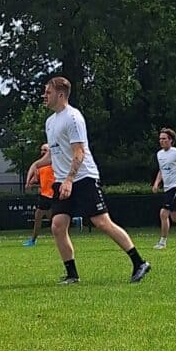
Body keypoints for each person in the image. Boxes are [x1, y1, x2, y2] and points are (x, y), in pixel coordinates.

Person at [38, 75, 149, 286]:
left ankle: (139, 262)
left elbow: (79, 152)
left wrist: (70, 180)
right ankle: (72, 275)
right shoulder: (50, 122)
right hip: (63, 181)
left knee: (102, 222)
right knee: (58, 226)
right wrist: (36, 165)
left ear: (60, 95)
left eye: (48, 92)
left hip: (83, 178)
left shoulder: (73, 117)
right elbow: (54, 153)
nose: (45, 95)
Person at [23, 154, 55, 245]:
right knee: (44, 217)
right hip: (44, 195)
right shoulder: (40, 166)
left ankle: (33, 240)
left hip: (53, 194)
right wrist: (29, 183)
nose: (42, 152)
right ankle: (33, 240)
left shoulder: (54, 164)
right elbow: (36, 178)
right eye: (41, 150)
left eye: (45, 150)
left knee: (42, 216)